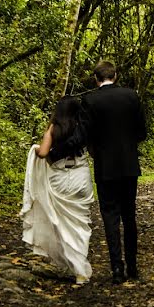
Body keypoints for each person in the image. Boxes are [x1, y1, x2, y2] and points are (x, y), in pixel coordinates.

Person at [81, 61, 147, 284]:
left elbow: (86, 134)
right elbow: (141, 132)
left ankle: (116, 268)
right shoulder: (131, 96)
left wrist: (95, 150)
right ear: (115, 75)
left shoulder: (90, 100)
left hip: (105, 166)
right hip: (129, 166)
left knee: (110, 216)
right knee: (129, 216)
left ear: (95, 78)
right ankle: (133, 267)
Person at [21, 96, 94, 284]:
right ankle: (80, 269)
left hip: (59, 178)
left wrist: (35, 149)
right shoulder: (82, 127)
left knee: (61, 223)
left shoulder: (53, 129)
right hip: (80, 176)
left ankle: (70, 265)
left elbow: (44, 153)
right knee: (81, 223)